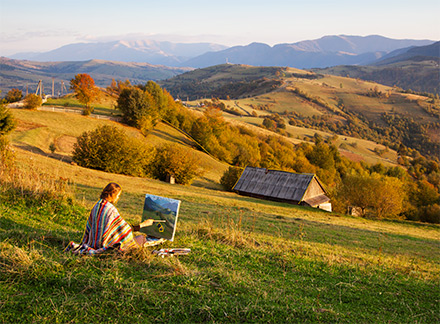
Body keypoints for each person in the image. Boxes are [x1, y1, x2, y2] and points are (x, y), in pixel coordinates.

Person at [66, 182, 156, 255]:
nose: (118, 198)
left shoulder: (97, 205)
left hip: (92, 243)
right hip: (105, 245)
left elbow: (90, 226)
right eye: (118, 195)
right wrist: (144, 224)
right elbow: (124, 229)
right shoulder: (110, 209)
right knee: (142, 239)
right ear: (112, 194)